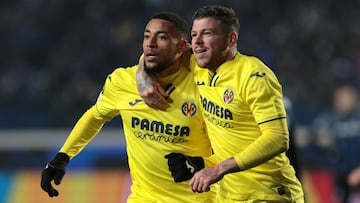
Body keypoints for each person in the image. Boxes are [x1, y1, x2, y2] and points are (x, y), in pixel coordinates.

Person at [40, 12, 217, 203]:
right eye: (147, 36)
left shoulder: (205, 86)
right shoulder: (123, 82)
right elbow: (95, 116)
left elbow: (237, 147)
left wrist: (200, 164)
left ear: (182, 46)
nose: (151, 43)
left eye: (162, 37)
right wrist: (63, 156)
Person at [137, 5, 304, 202]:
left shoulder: (253, 76)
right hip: (228, 196)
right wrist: (142, 79)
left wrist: (218, 169)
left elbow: (277, 138)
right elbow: (156, 53)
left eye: (206, 34)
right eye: (194, 34)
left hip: (267, 193)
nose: (197, 42)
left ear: (231, 39)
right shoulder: (198, 65)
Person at [312, 84, 360, 203]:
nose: (346, 101)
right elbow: (314, 138)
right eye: (342, 97)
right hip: (338, 175)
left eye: (349, 97)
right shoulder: (328, 119)